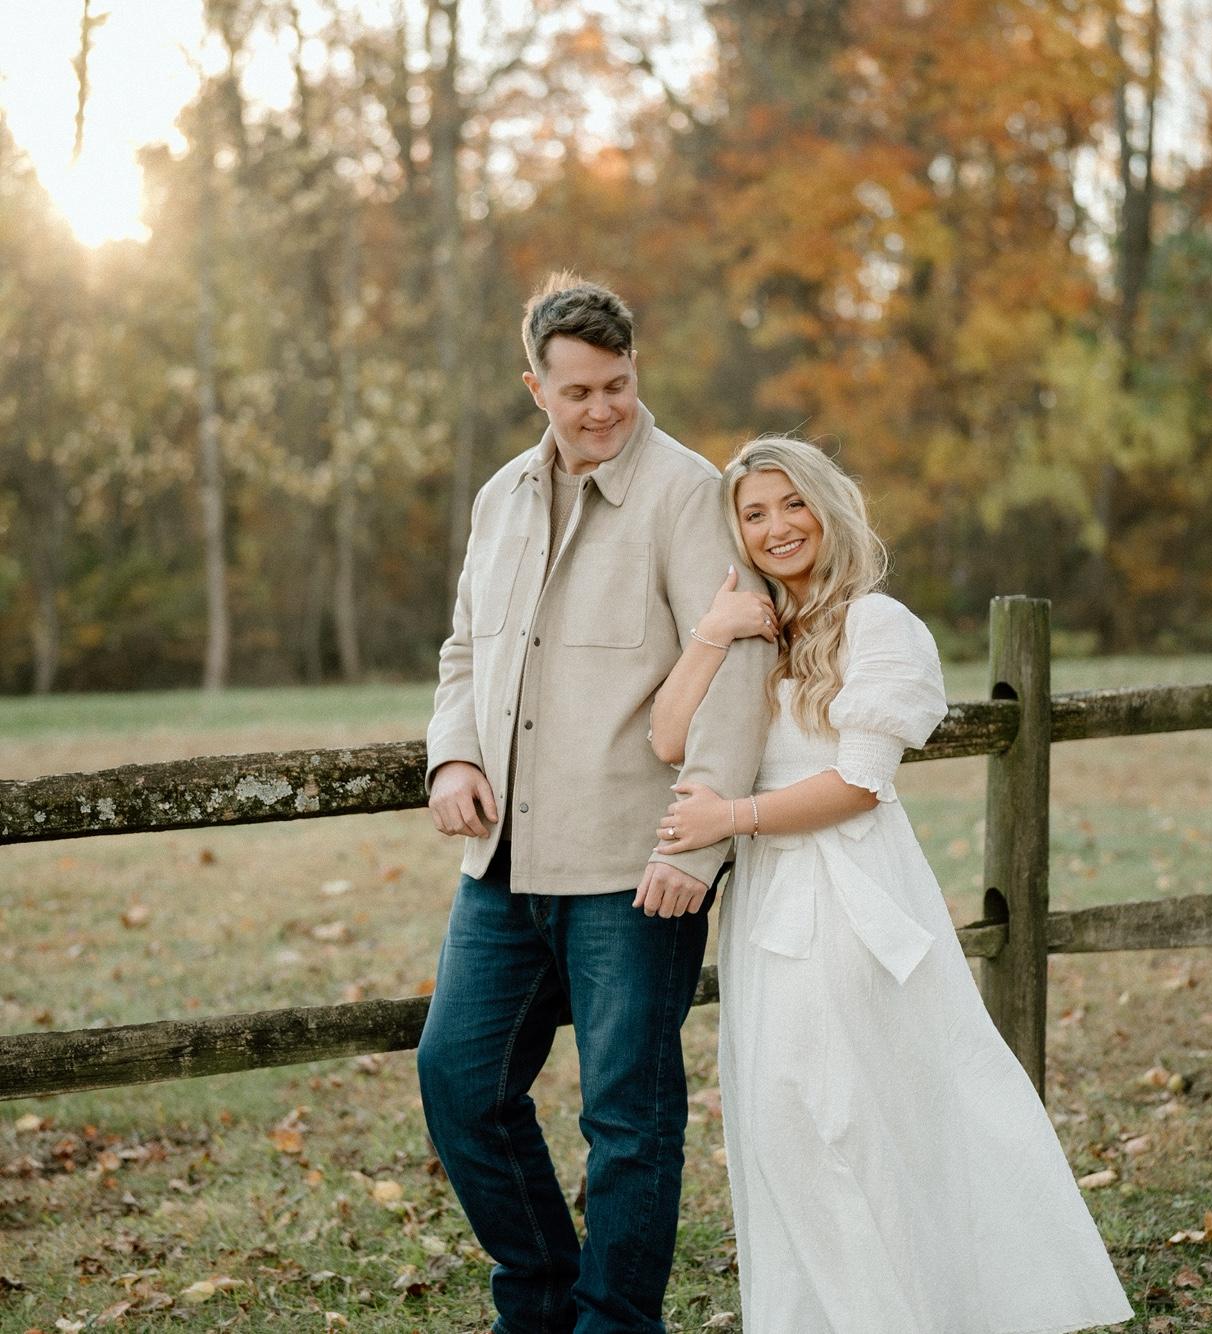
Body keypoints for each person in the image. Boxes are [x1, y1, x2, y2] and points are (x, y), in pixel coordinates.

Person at [650, 436, 1134, 1333]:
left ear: (829, 508)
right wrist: (713, 633)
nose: (777, 527)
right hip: (766, 901)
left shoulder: (877, 625)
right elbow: (669, 738)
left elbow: (861, 782)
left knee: (851, 1115)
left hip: (848, 891)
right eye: (754, 513)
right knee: (782, 1119)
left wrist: (730, 818)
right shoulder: (757, 631)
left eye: (793, 503)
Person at [417, 274, 773, 1334]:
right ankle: (537, 1301)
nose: (602, 408)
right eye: (577, 391)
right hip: (501, 864)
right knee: (459, 1082)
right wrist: (451, 757)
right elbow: (463, 649)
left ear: (634, 371)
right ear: (535, 386)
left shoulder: (688, 493)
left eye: (616, 385)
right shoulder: (499, 498)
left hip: (635, 868)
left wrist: (696, 845)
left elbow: (738, 669)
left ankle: (615, 1323)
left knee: (628, 1120)